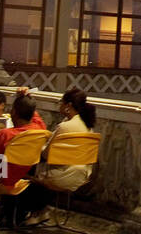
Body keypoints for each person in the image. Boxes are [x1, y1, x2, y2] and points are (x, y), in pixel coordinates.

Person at [14, 88, 97, 222]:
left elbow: (46, 154)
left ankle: (21, 212)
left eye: (61, 103)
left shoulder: (66, 127)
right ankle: (39, 211)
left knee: (23, 168)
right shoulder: (88, 126)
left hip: (60, 175)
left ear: (68, 106)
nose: (60, 106)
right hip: (81, 175)